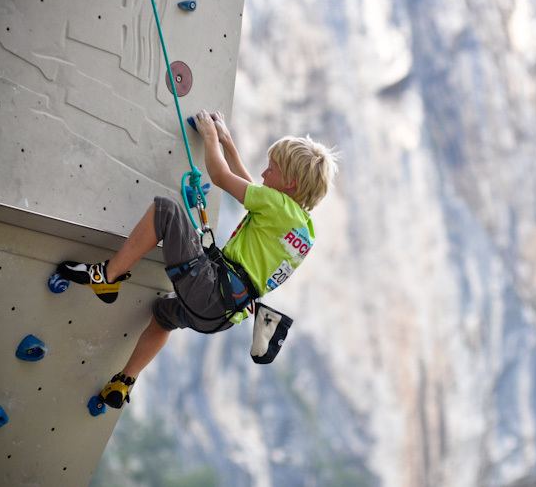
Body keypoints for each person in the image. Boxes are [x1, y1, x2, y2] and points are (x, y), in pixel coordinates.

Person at [57, 109, 339, 407]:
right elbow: (253, 192)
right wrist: (228, 143)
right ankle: (124, 381)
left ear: (291, 183)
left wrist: (209, 138)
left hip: (210, 289)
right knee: (164, 316)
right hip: (223, 315)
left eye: (272, 169)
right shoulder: (302, 230)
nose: (264, 174)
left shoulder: (277, 205)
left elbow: (220, 177)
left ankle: (106, 277)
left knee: (166, 211)